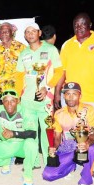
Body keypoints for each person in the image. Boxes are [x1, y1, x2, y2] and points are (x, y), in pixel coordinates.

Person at [55, 13, 94, 178]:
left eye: (82, 24)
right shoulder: (67, 45)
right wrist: (56, 94)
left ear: (90, 25)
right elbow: (62, 72)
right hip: (71, 97)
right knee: (69, 132)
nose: (78, 27)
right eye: (76, 25)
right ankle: (71, 162)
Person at [16, 22, 63, 168]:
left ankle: (49, 159)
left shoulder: (51, 49)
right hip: (27, 100)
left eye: (33, 31)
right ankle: (33, 161)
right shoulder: (23, 53)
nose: (30, 34)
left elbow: (59, 71)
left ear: (39, 33)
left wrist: (47, 88)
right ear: (24, 36)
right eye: (27, 32)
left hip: (46, 99)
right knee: (30, 131)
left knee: (47, 131)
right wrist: (18, 96)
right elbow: (19, 76)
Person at [43, 82, 94, 185]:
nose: (70, 97)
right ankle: (70, 167)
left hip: (83, 146)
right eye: (68, 94)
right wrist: (53, 147)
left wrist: (87, 143)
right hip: (67, 148)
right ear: (64, 96)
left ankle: (85, 182)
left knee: (93, 149)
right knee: (48, 175)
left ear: (80, 96)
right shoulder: (58, 114)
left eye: (74, 94)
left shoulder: (89, 110)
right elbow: (58, 138)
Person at [0, 89, 38, 185]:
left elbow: (32, 133)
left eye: (13, 101)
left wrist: (14, 133)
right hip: (5, 145)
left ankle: (28, 174)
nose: (9, 104)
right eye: (6, 101)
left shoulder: (25, 111)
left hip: (22, 146)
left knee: (32, 144)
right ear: (2, 102)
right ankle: (7, 160)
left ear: (18, 101)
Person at [0, 22, 26, 142]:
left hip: (16, 90)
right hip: (0, 90)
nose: (4, 33)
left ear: (12, 32)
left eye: (7, 30)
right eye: (1, 31)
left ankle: (20, 144)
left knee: (19, 117)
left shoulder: (22, 48)